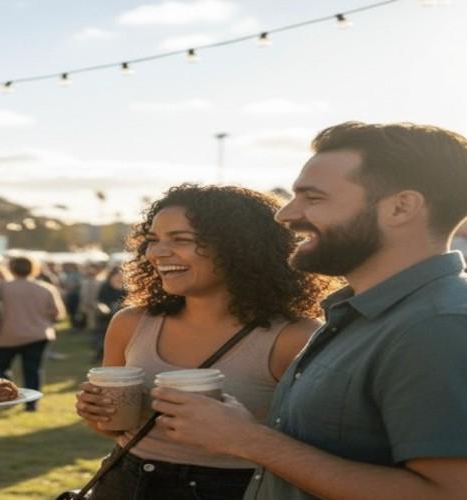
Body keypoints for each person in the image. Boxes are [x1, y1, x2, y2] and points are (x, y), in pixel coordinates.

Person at [152, 122, 467, 500]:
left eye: (313, 198)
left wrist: (247, 440)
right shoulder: (370, 314)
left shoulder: (450, 328)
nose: (286, 214)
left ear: (401, 208)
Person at [73, 185, 328, 499]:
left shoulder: (295, 337)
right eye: (152, 240)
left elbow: (315, 455)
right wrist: (97, 413)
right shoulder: (131, 323)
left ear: (239, 248)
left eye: (181, 239)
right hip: (123, 482)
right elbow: (113, 429)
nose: (156, 252)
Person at [0, 256, 65, 411]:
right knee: (33, 370)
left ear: (11, 268)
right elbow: (58, 314)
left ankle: (6, 396)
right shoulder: (46, 288)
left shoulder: (2, 287)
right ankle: (31, 405)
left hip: (6, 336)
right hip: (38, 335)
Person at [92, 264, 128, 362]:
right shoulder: (105, 287)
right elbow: (99, 301)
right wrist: (102, 308)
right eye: (117, 276)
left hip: (122, 317)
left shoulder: (127, 289)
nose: (119, 279)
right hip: (106, 317)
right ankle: (100, 353)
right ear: (111, 276)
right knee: (103, 336)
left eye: (121, 277)